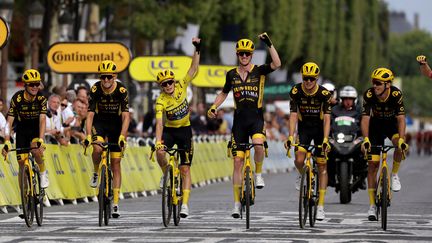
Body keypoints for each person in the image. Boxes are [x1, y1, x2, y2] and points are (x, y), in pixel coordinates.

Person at [207, 33, 281, 218]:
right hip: (239, 120)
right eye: (241, 53)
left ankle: (258, 174)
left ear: (252, 55)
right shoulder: (231, 74)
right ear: (237, 54)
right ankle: (236, 203)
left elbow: (277, 64)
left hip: (256, 118)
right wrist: (214, 106)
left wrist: (268, 43)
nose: (244, 56)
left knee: (258, 144)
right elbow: (224, 93)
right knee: (238, 162)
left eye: (247, 53)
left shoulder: (259, 70)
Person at [154, 37, 201, 218]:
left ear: (174, 81)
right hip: (170, 131)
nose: (168, 86)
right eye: (164, 84)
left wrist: (197, 48)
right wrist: (158, 141)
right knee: (159, 153)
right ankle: (166, 173)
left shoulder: (181, 85)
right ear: (161, 87)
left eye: (170, 82)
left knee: (185, 169)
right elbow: (159, 122)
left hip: (185, 131)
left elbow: (193, 68)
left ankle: (185, 205)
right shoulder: (160, 101)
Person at [284, 62, 332, 220]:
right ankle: (303, 174)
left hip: (319, 130)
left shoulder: (324, 94)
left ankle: (321, 206)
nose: (308, 82)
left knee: (322, 165)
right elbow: (292, 116)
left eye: (312, 79)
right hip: (304, 129)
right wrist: (291, 136)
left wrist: (325, 139)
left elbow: (326, 119)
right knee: (299, 159)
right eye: (306, 78)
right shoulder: (296, 91)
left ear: (316, 79)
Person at [360, 67, 409, 221]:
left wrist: (401, 139)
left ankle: (394, 174)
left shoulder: (396, 94)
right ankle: (372, 206)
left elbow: (401, 118)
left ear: (387, 85)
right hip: (375, 128)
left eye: (378, 83)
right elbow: (366, 119)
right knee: (373, 165)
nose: (374, 86)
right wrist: (366, 139)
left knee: (399, 144)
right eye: (373, 82)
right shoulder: (369, 94)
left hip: (391, 125)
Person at [83, 60, 129, 218]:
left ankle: (115, 202)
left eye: (109, 77)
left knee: (116, 163)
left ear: (115, 76)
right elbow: (89, 115)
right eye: (103, 77)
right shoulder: (95, 88)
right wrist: (89, 135)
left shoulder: (122, 90)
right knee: (97, 148)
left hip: (116, 125)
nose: (106, 80)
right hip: (100, 122)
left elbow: (126, 116)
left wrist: (123, 136)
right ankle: (96, 172)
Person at [1, 69, 50, 206]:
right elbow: (9, 122)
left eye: (37, 84)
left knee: (35, 150)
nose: (35, 87)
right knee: (22, 164)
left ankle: (42, 172)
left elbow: (42, 120)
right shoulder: (17, 98)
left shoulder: (41, 99)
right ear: (25, 85)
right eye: (31, 85)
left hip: (36, 129)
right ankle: (25, 197)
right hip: (22, 130)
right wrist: (6, 140)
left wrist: (41, 138)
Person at [327, 86, 366, 189]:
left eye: (350, 99)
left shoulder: (360, 111)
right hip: (337, 139)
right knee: (326, 153)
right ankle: (329, 176)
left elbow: (365, 124)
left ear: (355, 100)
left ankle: (361, 177)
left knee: (364, 152)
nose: (348, 101)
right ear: (341, 99)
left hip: (354, 139)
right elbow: (328, 123)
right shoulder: (334, 110)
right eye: (345, 99)